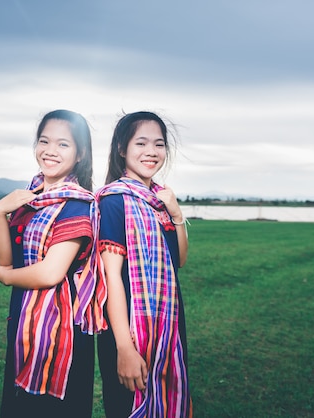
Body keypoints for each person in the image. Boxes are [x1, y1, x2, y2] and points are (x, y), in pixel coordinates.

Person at [0, 109, 106, 418]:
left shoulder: (76, 204)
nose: (50, 151)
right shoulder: (32, 197)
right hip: (24, 322)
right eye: (44, 141)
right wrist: (1, 210)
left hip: (60, 333)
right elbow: (5, 258)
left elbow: (51, 272)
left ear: (80, 153)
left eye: (63, 144)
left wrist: (6, 277)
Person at [96, 111, 193, 417]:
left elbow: (180, 259)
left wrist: (176, 215)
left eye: (159, 144)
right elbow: (111, 278)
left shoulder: (158, 201)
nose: (151, 152)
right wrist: (124, 348)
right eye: (141, 143)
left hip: (168, 325)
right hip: (127, 331)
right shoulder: (113, 201)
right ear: (122, 149)